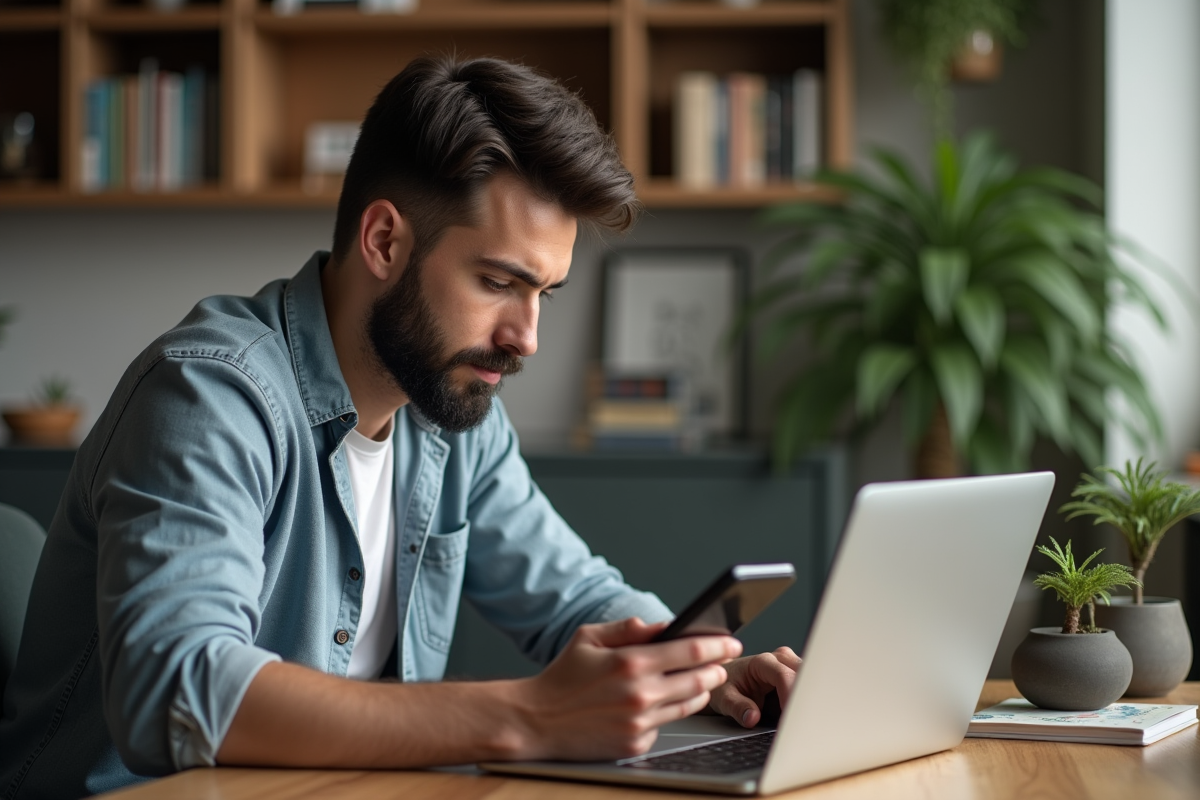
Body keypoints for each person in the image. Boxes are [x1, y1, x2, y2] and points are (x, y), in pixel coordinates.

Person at [0, 55, 799, 798]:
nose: (527, 337)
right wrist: (526, 716)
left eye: (542, 294)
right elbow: (179, 690)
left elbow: (570, 596)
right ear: (384, 240)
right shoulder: (211, 394)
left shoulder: (454, 410)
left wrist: (697, 666)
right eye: (497, 281)